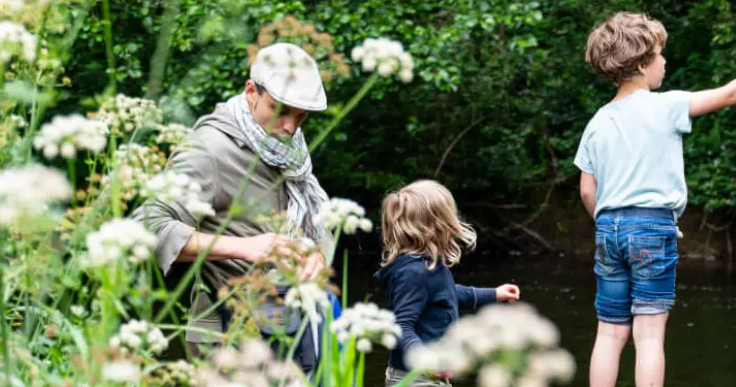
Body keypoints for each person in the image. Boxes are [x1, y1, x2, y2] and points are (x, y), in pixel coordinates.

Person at [572, 12, 736, 387]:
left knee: (610, 333)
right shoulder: (665, 106)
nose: (665, 62)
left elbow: (585, 190)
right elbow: (729, 95)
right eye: (660, 55)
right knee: (648, 336)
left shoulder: (596, 121)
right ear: (643, 64)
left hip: (607, 229)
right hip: (650, 228)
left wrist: (608, 224)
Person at [137, 42, 335, 370]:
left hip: (287, 324)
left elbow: (306, 217)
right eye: (281, 109)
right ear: (250, 92)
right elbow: (147, 225)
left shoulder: (288, 147)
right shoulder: (209, 150)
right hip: (225, 337)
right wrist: (244, 248)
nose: (290, 126)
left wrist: (313, 251)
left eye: (302, 115)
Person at [376, 180, 522, 387]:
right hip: (415, 378)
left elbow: (448, 294)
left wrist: (494, 294)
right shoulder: (414, 273)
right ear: (437, 226)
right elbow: (401, 325)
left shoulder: (426, 266)